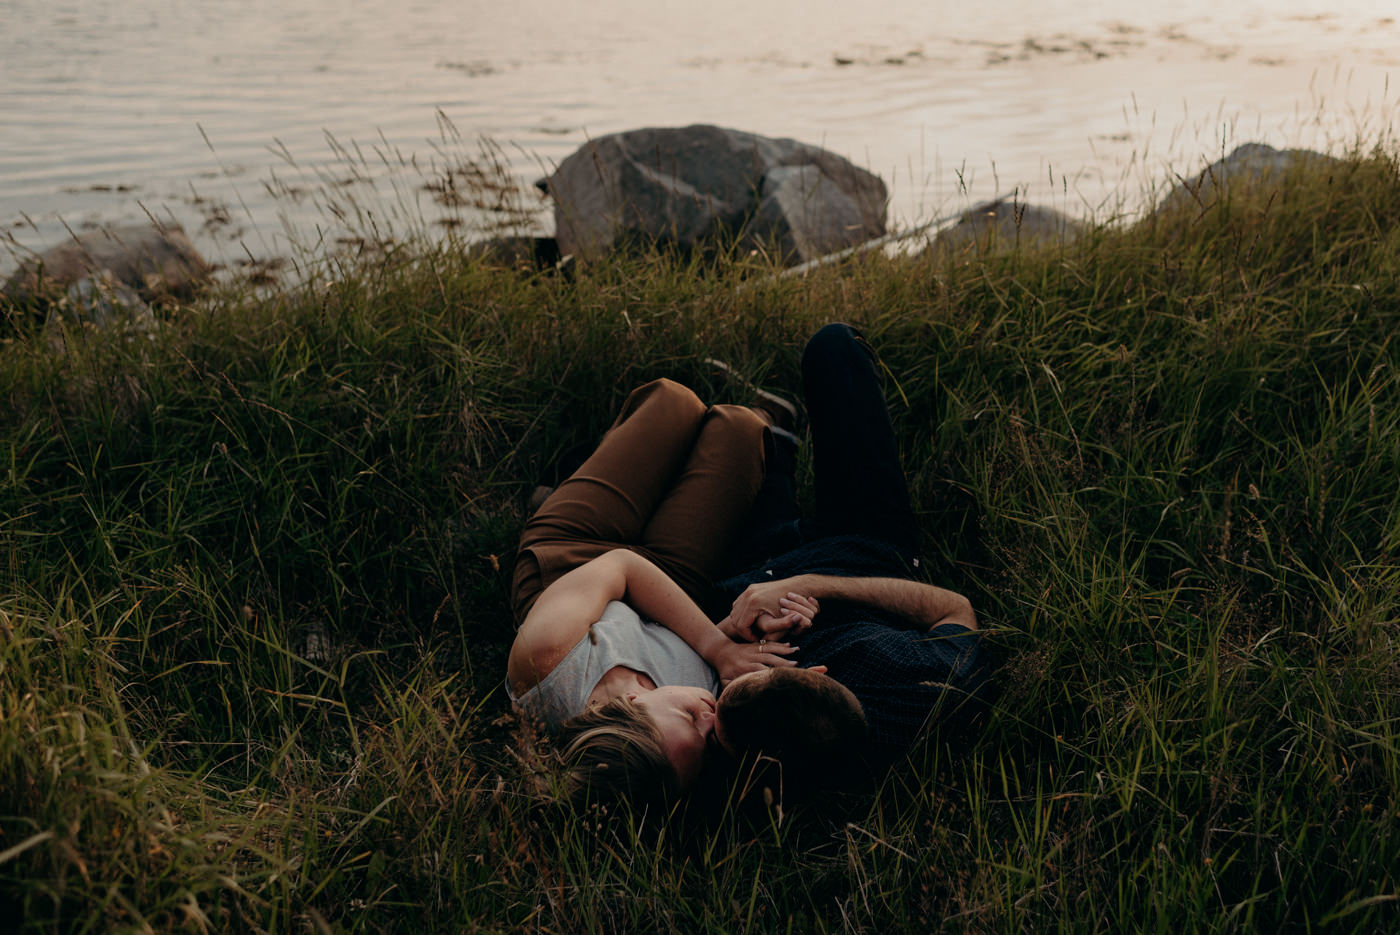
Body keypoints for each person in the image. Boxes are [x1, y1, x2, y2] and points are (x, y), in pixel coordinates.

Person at [505, 377, 817, 805]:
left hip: (576, 555)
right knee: (740, 428)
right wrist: (747, 629)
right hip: (669, 583)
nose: (712, 717)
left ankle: (570, 479)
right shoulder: (692, 728)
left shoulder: (545, 661)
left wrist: (716, 646)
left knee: (673, 401)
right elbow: (692, 642)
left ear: (633, 701)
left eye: (693, 718)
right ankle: (758, 424)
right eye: (708, 743)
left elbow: (623, 565)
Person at [710, 322, 988, 792]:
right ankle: (772, 436)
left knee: (739, 480)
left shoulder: (756, 744)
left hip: (752, 574)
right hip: (866, 547)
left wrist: (745, 634)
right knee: (832, 346)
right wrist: (816, 586)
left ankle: (773, 436)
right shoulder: (936, 687)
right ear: (818, 674)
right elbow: (954, 607)